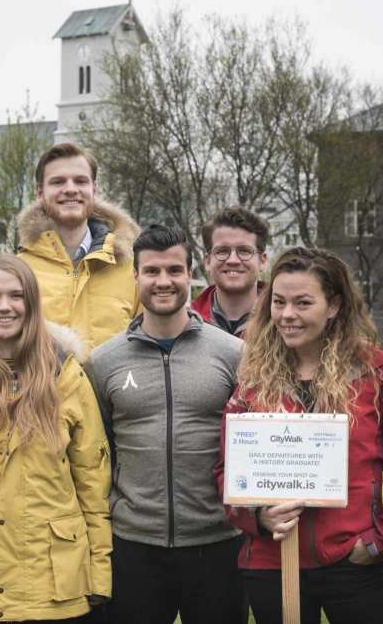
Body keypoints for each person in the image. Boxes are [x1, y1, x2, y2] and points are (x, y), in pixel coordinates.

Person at [215, 247, 383, 624]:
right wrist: (258, 518)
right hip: (272, 562)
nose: (286, 315)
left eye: (302, 303)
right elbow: (225, 470)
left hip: (353, 560)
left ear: (333, 306)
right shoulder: (252, 376)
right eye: (278, 302)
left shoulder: (375, 370)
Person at [0, 254, 111, 623]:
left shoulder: (68, 378)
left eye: (16, 295)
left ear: (33, 303)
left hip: (53, 584)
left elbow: (93, 483)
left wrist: (99, 576)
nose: (4, 306)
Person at [85, 225, 246, 624]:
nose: (163, 281)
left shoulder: (233, 354)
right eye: (152, 271)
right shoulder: (104, 362)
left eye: (174, 271)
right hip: (134, 545)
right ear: (135, 277)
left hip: (217, 543)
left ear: (190, 274)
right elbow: (99, 448)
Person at [17, 142, 138, 349]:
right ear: (40, 193)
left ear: (94, 189)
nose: (70, 189)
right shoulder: (19, 271)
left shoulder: (131, 267)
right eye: (58, 182)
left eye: (80, 181)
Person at [192, 207, 270, 338]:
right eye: (222, 251)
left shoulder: (282, 322)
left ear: (262, 261)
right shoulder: (186, 325)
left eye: (244, 251)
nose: (233, 260)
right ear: (207, 261)